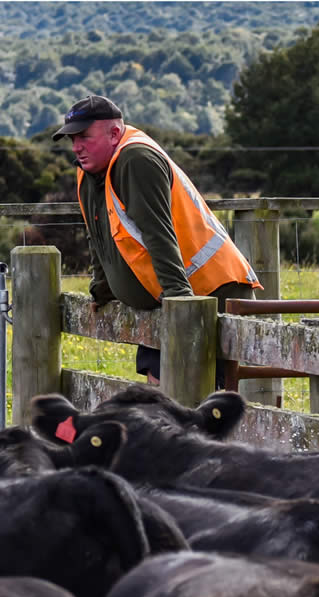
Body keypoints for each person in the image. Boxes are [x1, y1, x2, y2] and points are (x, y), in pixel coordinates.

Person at [52, 95, 262, 385]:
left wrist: (181, 305)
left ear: (114, 133)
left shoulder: (136, 160)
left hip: (207, 293)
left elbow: (158, 233)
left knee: (198, 404)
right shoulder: (90, 172)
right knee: (163, 399)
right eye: (72, 139)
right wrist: (101, 289)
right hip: (165, 299)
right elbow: (100, 233)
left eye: (84, 137)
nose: (76, 147)